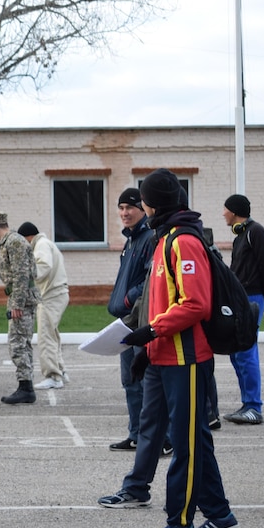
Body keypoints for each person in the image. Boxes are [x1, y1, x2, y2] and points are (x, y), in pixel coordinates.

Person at [115, 168, 239, 528]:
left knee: (185, 445)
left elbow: (195, 304)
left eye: (144, 201)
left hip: (185, 359)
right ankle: (219, 515)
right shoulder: (164, 238)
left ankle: (181, 522)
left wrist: (151, 332)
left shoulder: (183, 241)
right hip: (165, 356)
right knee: (196, 440)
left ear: (153, 204)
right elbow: (160, 303)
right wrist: (148, 351)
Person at [106, 188, 157, 451]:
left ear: (142, 209)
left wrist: (128, 300)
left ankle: (158, 439)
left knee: (147, 381)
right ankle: (136, 434)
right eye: (121, 207)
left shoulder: (149, 237)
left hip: (140, 319)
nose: (124, 213)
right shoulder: (131, 240)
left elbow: (149, 280)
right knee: (130, 381)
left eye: (130, 207)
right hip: (125, 321)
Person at [221, 194, 264, 425]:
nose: (223, 213)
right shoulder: (240, 235)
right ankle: (247, 404)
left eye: (225, 209)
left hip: (252, 297)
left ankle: (254, 407)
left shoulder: (256, 232)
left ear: (234, 211)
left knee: (246, 351)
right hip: (241, 297)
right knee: (237, 352)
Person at [0, 212, 38, 405]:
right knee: (23, 343)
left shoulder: (14, 242)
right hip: (20, 296)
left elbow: (21, 274)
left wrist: (17, 303)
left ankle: (25, 387)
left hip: (21, 299)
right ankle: (26, 385)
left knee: (17, 343)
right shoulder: (11, 241)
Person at [16, 222, 70, 390]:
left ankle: (53, 376)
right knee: (52, 333)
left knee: (45, 336)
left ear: (27, 238)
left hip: (51, 296)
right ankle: (61, 370)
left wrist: (26, 276)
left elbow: (44, 266)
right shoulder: (45, 244)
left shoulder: (41, 245)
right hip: (56, 294)